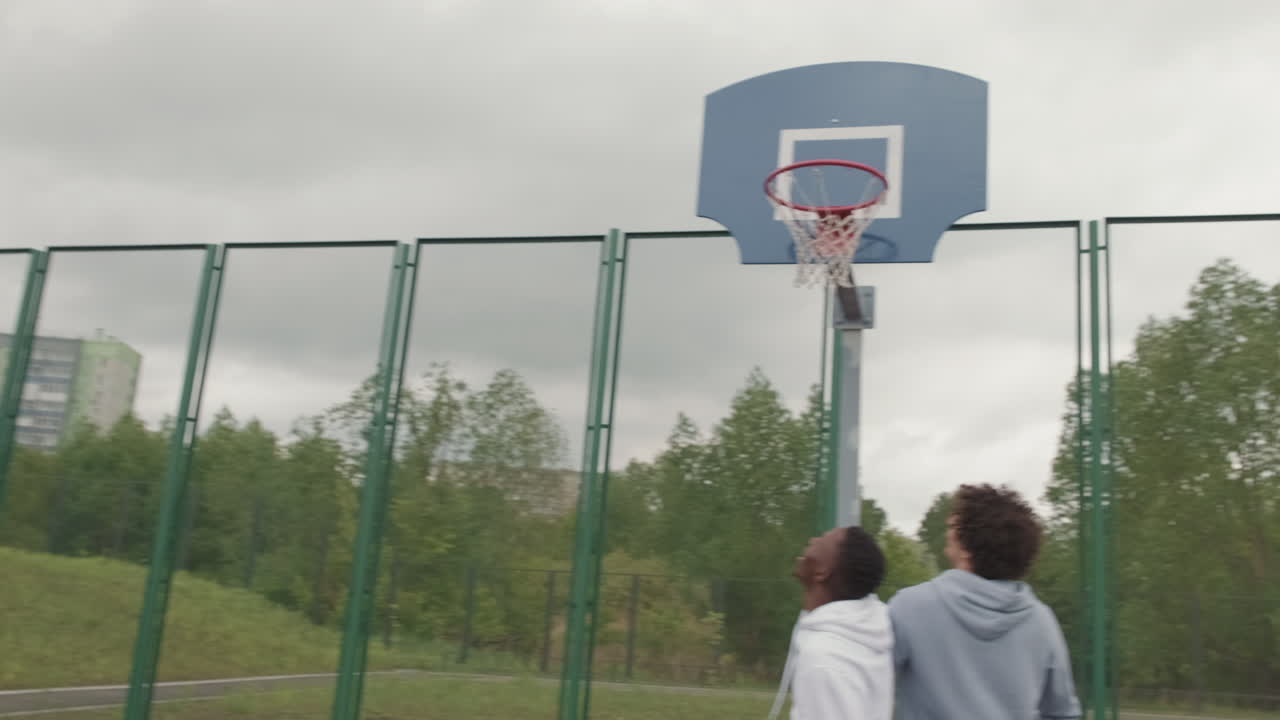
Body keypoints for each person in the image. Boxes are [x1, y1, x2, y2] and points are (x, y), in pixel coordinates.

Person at [888, 483, 1081, 719]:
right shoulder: (1042, 621)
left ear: (967, 548)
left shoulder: (909, 608)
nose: (947, 532)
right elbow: (1062, 713)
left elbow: (870, 684)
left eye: (952, 526)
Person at [769, 525, 894, 720]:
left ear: (822, 572)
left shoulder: (824, 660)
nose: (812, 540)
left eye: (822, 539)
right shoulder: (860, 638)